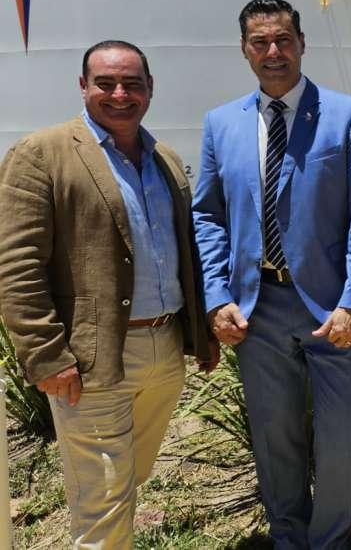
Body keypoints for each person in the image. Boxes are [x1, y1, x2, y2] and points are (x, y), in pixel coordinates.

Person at [0, 40, 216, 547]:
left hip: (165, 350)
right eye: (106, 83)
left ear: (150, 89)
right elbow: (16, 262)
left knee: (127, 480)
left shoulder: (164, 158)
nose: (120, 94)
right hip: (91, 359)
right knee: (104, 501)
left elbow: (186, 252)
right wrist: (46, 354)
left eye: (132, 84)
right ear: (83, 86)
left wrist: (201, 333)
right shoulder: (42, 154)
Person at [192, 0, 351, 549]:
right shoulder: (220, 123)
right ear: (244, 49)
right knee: (274, 432)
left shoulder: (347, 115)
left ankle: (330, 540)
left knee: (337, 434)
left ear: (302, 43)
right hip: (256, 307)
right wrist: (216, 296)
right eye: (260, 42)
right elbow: (208, 216)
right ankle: (288, 536)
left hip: (332, 304)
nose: (273, 52)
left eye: (283, 40)